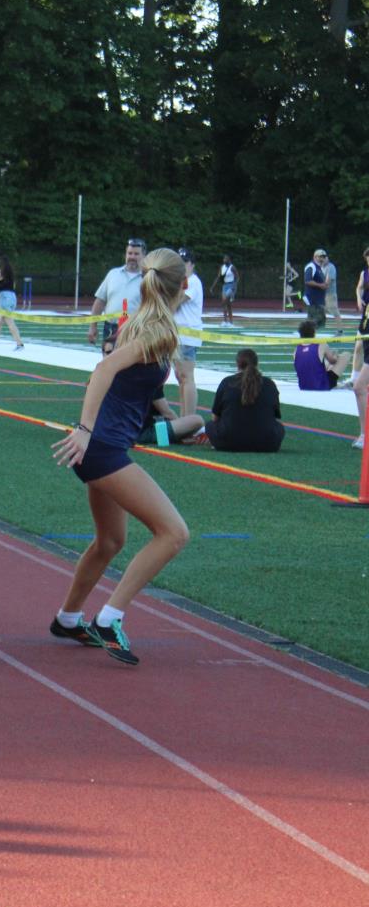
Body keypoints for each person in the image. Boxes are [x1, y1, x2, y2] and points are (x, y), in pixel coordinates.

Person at [51, 246, 190, 667]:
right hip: (102, 447)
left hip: (103, 446)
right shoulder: (156, 331)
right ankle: (109, 619)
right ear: (183, 286)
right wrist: (84, 429)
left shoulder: (143, 323)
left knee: (111, 540)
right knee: (173, 533)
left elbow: (125, 381)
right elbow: (103, 371)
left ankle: (68, 618)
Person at [203, 349, 284, 452]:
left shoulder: (227, 382)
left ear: (237, 364)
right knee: (279, 427)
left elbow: (215, 418)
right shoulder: (269, 384)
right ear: (257, 364)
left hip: (228, 442)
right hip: (266, 443)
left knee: (210, 425)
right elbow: (276, 416)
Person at [86, 238, 145, 354]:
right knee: (108, 362)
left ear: (144, 256)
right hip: (111, 328)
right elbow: (100, 301)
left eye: (136, 254)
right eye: (130, 253)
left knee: (130, 363)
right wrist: (93, 327)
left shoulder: (148, 279)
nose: (132, 257)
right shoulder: (113, 274)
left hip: (135, 329)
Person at [173, 247, 203, 415]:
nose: (182, 266)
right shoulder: (181, 281)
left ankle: (189, 418)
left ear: (192, 264)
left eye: (185, 262)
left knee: (186, 376)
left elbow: (176, 301)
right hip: (178, 335)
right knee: (180, 377)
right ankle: (184, 416)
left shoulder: (192, 282)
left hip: (188, 334)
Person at [136, 386, 204, 448]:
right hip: (143, 432)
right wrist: (185, 430)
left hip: (133, 428)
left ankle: (181, 437)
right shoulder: (150, 383)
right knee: (197, 420)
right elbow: (167, 413)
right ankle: (184, 437)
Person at [293, 318, 349, 389]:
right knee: (346, 355)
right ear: (314, 332)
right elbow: (333, 361)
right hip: (321, 385)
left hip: (303, 386)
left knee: (323, 363)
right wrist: (335, 355)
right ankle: (348, 380)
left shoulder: (296, 350)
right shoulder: (321, 344)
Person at [0, 256, 24, 351]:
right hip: (12, 298)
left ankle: (19, 344)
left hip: (5, 299)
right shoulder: (10, 274)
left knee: (10, 322)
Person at [351, 248, 369, 449]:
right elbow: (359, 287)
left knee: (359, 388)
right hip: (366, 330)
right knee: (359, 387)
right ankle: (364, 434)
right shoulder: (365, 274)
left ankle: (365, 435)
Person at [210, 254, 238, 326]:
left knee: (224, 302)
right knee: (227, 304)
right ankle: (225, 321)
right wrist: (212, 287)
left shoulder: (232, 267)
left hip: (231, 285)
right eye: (224, 259)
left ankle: (230, 322)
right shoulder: (222, 267)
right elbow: (218, 277)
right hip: (224, 286)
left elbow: (237, 277)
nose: (224, 260)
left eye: (226, 259)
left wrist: (234, 287)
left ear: (229, 260)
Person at [303, 250, 328, 328]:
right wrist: (320, 285)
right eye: (320, 257)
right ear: (315, 257)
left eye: (323, 257)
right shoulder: (311, 266)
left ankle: (307, 331)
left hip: (318, 299)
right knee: (315, 319)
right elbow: (307, 281)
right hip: (312, 298)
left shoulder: (319, 268)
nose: (322, 258)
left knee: (320, 319)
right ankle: (305, 331)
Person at [324, 251, 343, 331]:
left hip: (330, 294)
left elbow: (328, 281)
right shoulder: (320, 267)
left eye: (325, 257)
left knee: (335, 312)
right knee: (320, 310)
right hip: (323, 294)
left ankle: (339, 330)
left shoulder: (330, 267)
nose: (323, 259)